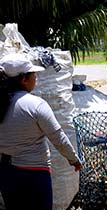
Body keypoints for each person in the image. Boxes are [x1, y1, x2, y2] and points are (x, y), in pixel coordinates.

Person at [0, 53, 82, 210]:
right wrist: (74, 160)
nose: (35, 79)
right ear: (24, 79)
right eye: (33, 75)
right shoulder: (35, 105)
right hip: (34, 175)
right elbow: (58, 138)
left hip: (6, 173)